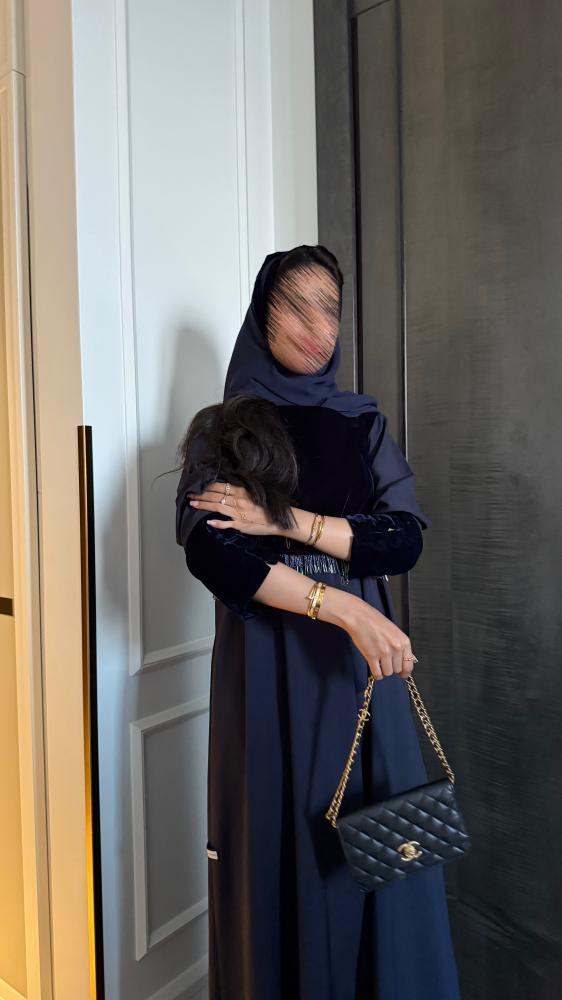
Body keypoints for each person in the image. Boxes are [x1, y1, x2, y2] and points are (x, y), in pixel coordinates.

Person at [174, 244, 461, 999]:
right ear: (262, 315)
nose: (317, 326)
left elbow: (404, 537)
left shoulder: (360, 421)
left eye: (330, 308)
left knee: (375, 851)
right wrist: (343, 606)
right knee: (283, 847)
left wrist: (286, 521)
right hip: (272, 672)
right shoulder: (222, 431)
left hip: (359, 675)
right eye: (296, 305)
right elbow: (213, 550)